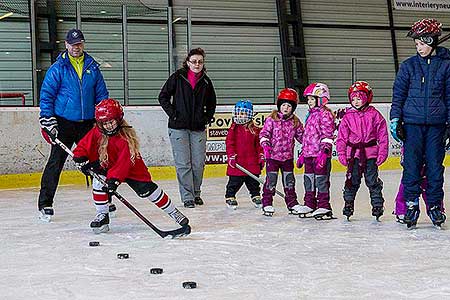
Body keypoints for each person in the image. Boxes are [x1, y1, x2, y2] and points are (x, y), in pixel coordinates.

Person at [72, 99, 189, 234]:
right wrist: (80, 157)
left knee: (149, 191)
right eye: (105, 123)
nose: (108, 126)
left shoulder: (125, 139)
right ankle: (102, 215)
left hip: (132, 169)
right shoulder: (97, 132)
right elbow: (83, 146)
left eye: (111, 122)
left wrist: (113, 180)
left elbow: (123, 164)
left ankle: (173, 212)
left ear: (119, 119)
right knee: (98, 182)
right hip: (107, 164)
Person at [38, 28, 109, 222]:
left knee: (97, 161)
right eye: (72, 44)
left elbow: (101, 95)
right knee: (56, 162)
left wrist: (103, 117)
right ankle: (45, 203)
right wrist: (48, 120)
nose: (76, 47)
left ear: (82, 44)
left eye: (79, 44)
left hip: (88, 123)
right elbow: (46, 97)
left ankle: (105, 198)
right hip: (64, 123)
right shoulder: (58, 68)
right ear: (66, 45)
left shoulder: (92, 67)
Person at [390, 18, 449, 229]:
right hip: (412, 125)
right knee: (411, 167)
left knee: (435, 167)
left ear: (431, 41)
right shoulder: (408, 67)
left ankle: (435, 206)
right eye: (416, 44)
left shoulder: (446, 66)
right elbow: (399, 95)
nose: (419, 48)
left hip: (436, 126)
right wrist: (395, 118)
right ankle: (411, 204)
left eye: (422, 43)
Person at [158, 48, 217, 208]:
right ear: (188, 62)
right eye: (194, 61)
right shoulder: (177, 77)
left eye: (200, 62)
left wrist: (206, 118)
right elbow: (162, 96)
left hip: (198, 128)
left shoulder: (206, 81)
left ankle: (196, 193)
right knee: (184, 164)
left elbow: (212, 103)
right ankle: (187, 197)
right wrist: (173, 114)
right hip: (178, 128)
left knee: (198, 164)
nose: (197, 64)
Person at [336, 81, 388, 221]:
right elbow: (341, 138)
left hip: (370, 154)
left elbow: (382, 136)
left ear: (366, 98)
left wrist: (382, 152)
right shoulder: (347, 117)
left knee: (372, 180)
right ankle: (348, 203)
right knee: (352, 181)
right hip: (354, 155)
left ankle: (377, 204)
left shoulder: (375, 115)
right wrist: (341, 153)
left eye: (359, 98)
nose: (356, 102)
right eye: (353, 99)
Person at [259, 88, 304, 216]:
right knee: (271, 181)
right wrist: (266, 146)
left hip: (287, 158)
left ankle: (292, 203)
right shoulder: (272, 119)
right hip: (273, 157)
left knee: (289, 182)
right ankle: (267, 202)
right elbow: (264, 134)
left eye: (289, 106)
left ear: (293, 108)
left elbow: (303, 138)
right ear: (279, 105)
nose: (286, 108)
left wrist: (309, 148)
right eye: (283, 105)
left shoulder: (295, 122)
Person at [296, 83, 335, 219]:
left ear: (321, 99)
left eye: (312, 99)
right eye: (308, 99)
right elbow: (307, 137)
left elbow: (327, 135)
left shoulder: (325, 115)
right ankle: (309, 204)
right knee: (308, 180)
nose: (309, 102)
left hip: (320, 155)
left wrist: (324, 153)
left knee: (321, 180)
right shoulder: (310, 115)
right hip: (309, 155)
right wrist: (302, 154)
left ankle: (323, 205)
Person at [225, 100, 264, 209]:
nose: (240, 116)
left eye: (243, 113)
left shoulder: (255, 130)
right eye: (238, 113)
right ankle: (230, 196)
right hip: (238, 162)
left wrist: (261, 155)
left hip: (252, 162)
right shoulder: (233, 129)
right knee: (234, 182)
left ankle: (255, 195)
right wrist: (231, 155)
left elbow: (259, 145)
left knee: (253, 182)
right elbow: (229, 143)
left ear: (249, 114)